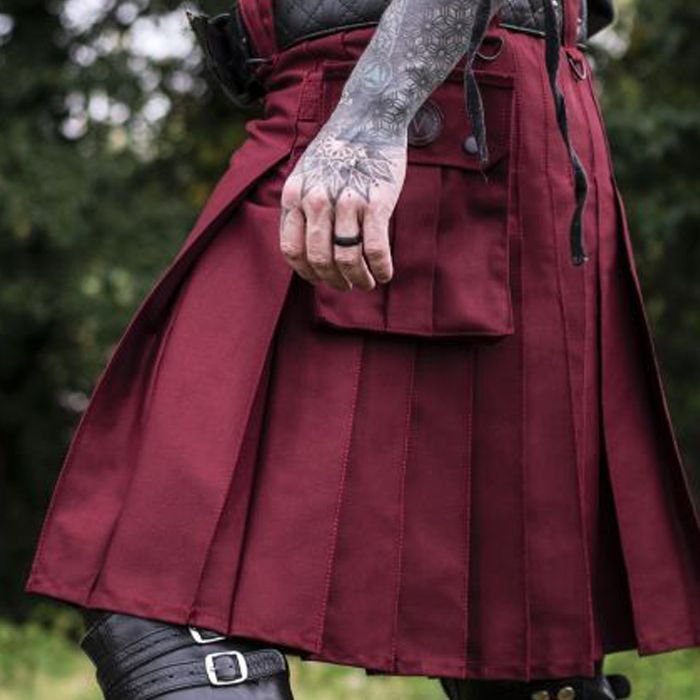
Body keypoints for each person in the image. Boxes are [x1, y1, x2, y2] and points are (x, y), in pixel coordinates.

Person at [25, 0, 700, 698]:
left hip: (422, 114)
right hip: (410, 106)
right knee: (511, 639)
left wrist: (373, 115)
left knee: (157, 576)